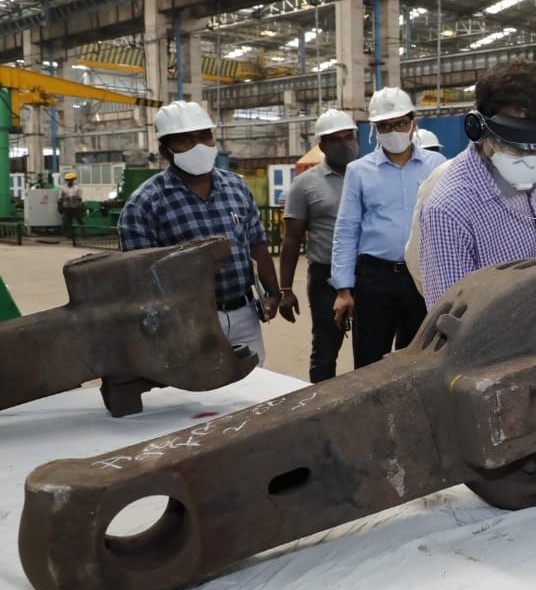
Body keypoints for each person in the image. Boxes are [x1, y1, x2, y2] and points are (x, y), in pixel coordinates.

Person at [119, 101, 289, 364]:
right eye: (185, 141)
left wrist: (274, 291)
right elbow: (139, 280)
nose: (198, 146)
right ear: (165, 150)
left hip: (244, 313)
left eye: (204, 137)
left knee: (254, 392)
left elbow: (256, 244)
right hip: (186, 319)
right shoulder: (144, 204)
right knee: (199, 399)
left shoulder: (236, 187)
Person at [416, 60, 536, 308]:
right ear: (478, 129)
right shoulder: (449, 210)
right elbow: (450, 321)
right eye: (516, 148)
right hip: (491, 343)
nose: (532, 162)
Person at [330, 87, 446, 367]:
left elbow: (447, 224)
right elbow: (347, 229)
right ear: (375, 129)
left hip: (421, 276)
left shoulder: (437, 165)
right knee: (369, 360)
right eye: (385, 125)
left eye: (401, 123)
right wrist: (344, 290)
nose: (394, 130)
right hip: (375, 279)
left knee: (420, 359)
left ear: (413, 123)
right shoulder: (359, 171)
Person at [278, 109, 359, 383]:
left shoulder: (370, 175)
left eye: (349, 137)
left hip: (369, 274)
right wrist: (286, 289)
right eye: (336, 139)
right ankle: (318, 407)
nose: (345, 144)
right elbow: (291, 241)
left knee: (370, 346)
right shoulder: (304, 185)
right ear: (322, 145)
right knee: (326, 348)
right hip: (326, 277)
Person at [57, 171, 84, 238]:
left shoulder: (77, 188)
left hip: (75, 207)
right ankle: (69, 235)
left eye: (71, 180)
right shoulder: (63, 188)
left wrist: (75, 198)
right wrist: (62, 202)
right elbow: (60, 198)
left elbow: (80, 198)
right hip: (67, 207)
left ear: (73, 180)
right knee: (67, 222)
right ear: (66, 180)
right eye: (68, 180)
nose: (69, 181)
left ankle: (84, 234)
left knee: (79, 220)